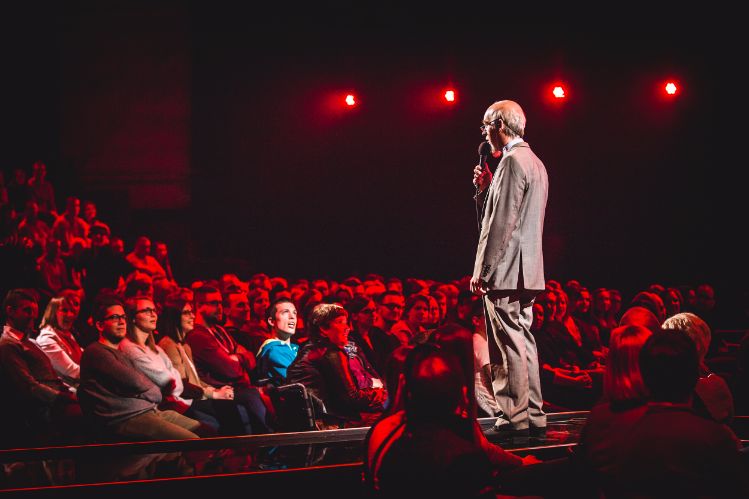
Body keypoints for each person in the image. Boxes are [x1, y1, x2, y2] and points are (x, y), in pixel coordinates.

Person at [470, 99, 548, 434]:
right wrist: (486, 191)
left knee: (506, 344)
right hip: (526, 268)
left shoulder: (512, 161)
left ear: (500, 124)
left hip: (505, 270)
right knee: (523, 340)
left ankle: (512, 415)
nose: (484, 132)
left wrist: (482, 271)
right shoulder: (535, 162)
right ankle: (531, 412)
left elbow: (501, 224)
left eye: (486, 124)